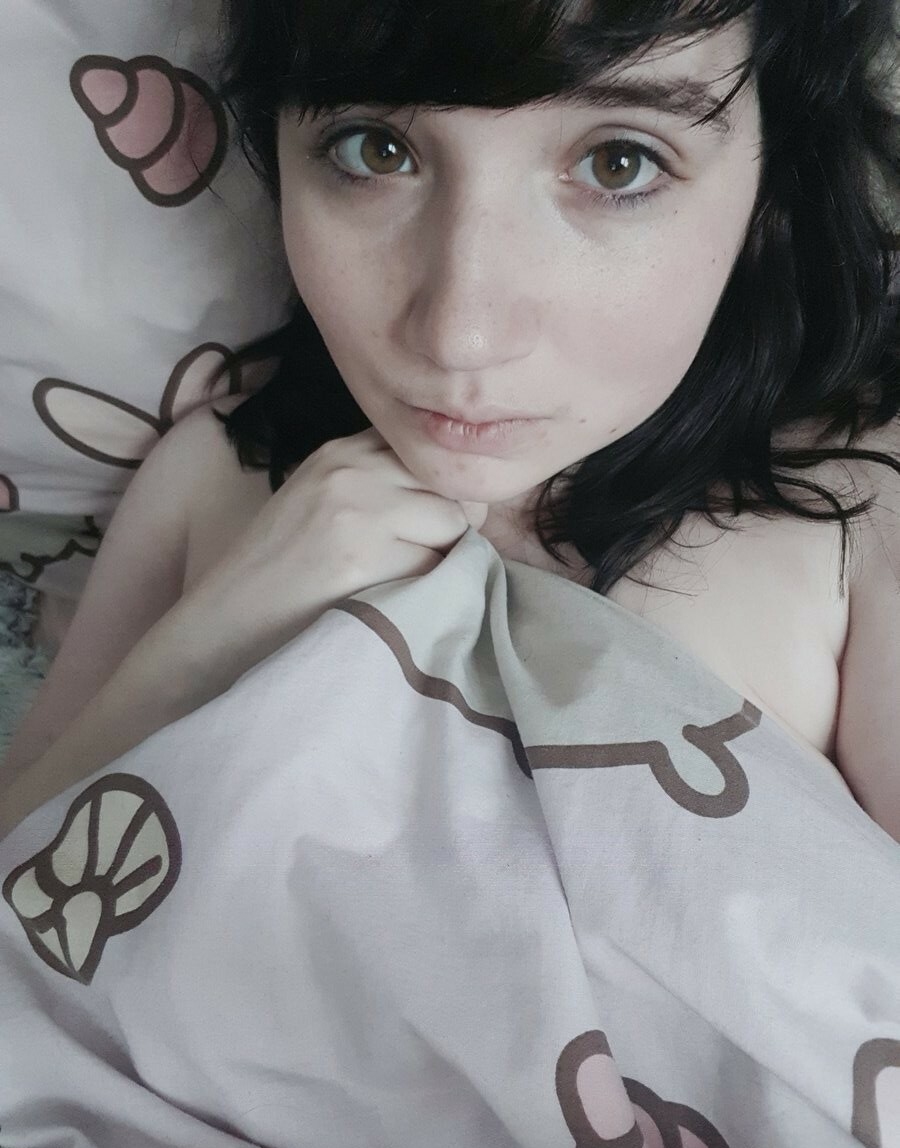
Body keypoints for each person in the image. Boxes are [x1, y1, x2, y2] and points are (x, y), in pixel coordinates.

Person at [0, 0, 898, 843]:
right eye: (374, 151)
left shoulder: (861, 504)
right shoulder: (215, 474)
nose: (459, 336)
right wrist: (200, 649)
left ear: (773, 188)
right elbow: (22, 867)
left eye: (618, 163)